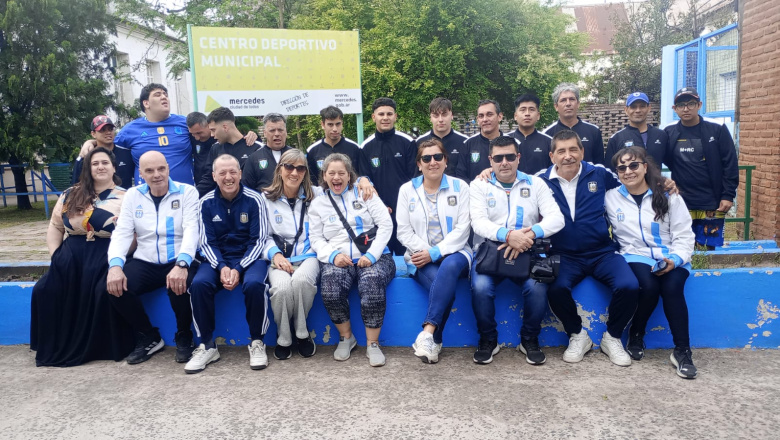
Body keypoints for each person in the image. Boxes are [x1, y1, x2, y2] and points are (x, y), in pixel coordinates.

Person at [537, 130, 639, 367]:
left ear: (582, 151)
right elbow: (513, 181)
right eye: (561, 151)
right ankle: (577, 335)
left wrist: (662, 182)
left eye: (573, 149)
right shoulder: (540, 180)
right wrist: (487, 172)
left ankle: (612, 337)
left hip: (601, 252)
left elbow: (633, 181)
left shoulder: (600, 173)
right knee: (556, 288)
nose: (568, 156)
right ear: (552, 156)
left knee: (630, 285)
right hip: (563, 254)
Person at [30, 147, 135, 367]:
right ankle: (52, 343)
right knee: (44, 289)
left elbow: (135, 237)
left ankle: (98, 347)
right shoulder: (70, 194)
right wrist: (56, 256)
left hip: (106, 254)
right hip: (71, 255)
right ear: (88, 168)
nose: (100, 167)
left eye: (105, 162)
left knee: (100, 292)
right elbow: (55, 226)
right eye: (94, 163)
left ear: (114, 167)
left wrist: (122, 248)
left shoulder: (127, 197)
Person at [469, 136, 565, 365]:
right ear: (490, 160)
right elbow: (478, 222)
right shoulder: (479, 185)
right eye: (499, 158)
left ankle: (529, 339)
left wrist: (528, 235)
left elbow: (557, 219)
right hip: (490, 250)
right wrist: (508, 235)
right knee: (480, 288)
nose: (505, 162)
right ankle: (488, 339)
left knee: (537, 287)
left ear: (518, 158)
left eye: (510, 157)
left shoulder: (535, 183)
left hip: (528, 249)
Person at [605, 146, 697, 379]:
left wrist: (675, 259)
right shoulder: (611, 197)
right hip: (634, 254)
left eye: (634, 165)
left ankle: (682, 351)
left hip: (671, 254)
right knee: (648, 285)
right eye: (622, 167)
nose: (628, 171)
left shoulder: (668, 195)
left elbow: (684, 235)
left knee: (673, 287)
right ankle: (636, 333)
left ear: (645, 167)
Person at [106, 151, 199, 365]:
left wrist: (182, 263)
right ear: (141, 173)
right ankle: (149, 335)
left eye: (161, 169)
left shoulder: (187, 192)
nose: (156, 174)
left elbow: (191, 229)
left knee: (179, 285)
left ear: (168, 168)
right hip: (145, 260)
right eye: (149, 170)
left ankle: (184, 335)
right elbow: (123, 232)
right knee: (115, 287)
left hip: (178, 257)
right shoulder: (133, 195)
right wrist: (115, 265)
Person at [309, 153, 395, 367]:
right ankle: (346, 337)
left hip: (375, 256)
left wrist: (372, 255)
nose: (336, 178)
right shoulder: (318, 204)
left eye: (341, 173)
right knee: (330, 287)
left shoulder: (365, 193)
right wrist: (333, 256)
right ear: (324, 176)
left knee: (371, 282)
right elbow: (316, 238)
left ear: (349, 176)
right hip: (339, 259)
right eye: (332, 173)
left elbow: (385, 224)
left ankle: (372, 344)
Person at [186, 155, 271, 373]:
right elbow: (205, 242)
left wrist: (239, 268)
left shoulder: (255, 199)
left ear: (240, 174)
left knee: (254, 285)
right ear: (214, 176)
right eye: (222, 173)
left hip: (249, 259)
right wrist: (222, 267)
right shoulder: (205, 203)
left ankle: (257, 341)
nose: (228, 177)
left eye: (233, 171)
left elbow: (259, 240)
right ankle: (207, 344)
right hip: (217, 260)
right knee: (198, 284)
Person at [396, 139, 472, 364]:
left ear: (445, 161)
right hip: (420, 256)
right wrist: (428, 253)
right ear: (419, 164)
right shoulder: (407, 190)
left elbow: (463, 228)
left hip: (457, 252)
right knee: (444, 288)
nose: (432, 162)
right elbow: (403, 231)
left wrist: (438, 252)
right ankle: (435, 341)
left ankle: (427, 333)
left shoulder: (461, 187)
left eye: (438, 157)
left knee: (448, 266)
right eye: (426, 158)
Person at [261, 149, 323, 361]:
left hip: (308, 255)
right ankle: (284, 337)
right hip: (278, 258)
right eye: (289, 167)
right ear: (280, 170)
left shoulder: (317, 195)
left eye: (300, 168)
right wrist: (275, 255)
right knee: (281, 288)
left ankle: (302, 335)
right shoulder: (265, 199)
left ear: (305, 172)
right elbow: (262, 236)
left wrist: (364, 181)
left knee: (302, 281)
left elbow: (344, 184)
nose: (294, 173)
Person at [664, 87, 739, 250]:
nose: (686, 108)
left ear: (699, 105)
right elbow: (661, 159)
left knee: (708, 250)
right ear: (674, 108)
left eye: (691, 103)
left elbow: (730, 163)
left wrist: (728, 195)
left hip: (712, 201)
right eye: (681, 104)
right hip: (681, 201)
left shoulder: (716, 129)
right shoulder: (669, 132)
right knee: (682, 247)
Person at [358, 97, 417, 256]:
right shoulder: (365, 147)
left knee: (407, 256)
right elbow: (365, 179)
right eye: (381, 114)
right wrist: (381, 206)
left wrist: (406, 205)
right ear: (373, 117)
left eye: (389, 114)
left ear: (395, 116)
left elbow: (415, 178)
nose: (385, 117)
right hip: (378, 213)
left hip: (406, 210)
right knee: (381, 255)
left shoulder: (408, 142)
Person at [113, 83, 196, 185]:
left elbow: (210, 135)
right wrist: (92, 143)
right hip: (146, 196)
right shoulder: (129, 130)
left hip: (184, 194)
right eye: (157, 95)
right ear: (146, 103)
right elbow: (109, 148)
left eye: (165, 94)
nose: (163, 97)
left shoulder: (185, 123)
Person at [196, 107, 262, 197]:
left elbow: (262, 180)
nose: (212, 135)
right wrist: (193, 195)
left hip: (249, 205)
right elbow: (208, 179)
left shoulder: (256, 147)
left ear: (225, 127)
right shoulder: (215, 148)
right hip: (223, 206)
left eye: (213, 130)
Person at [604, 92, 668, 172]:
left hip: (655, 184)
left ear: (649, 108)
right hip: (627, 184)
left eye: (642, 106)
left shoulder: (661, 135)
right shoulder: (617, 138)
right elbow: (610, 171)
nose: (638, 110)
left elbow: (672, 162)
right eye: (633, 107)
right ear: (626, 110)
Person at [543, 83, 604, 165]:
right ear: (556, 106)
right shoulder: (547, 134)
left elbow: (599, 164)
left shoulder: (593, 131)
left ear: (578, 103)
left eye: (571, 99)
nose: (568, 104)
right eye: (563, 100)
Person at [72, 115, 135, 188]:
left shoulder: (127, 154)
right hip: (94, 198)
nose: (108, 132)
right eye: (102, 130)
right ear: (93, 134)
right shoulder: (85, 156)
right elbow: (76, 185)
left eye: (110, 129)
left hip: (124, 198)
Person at [456, 99, 510, 182]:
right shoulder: (467, 144)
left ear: (500, 116)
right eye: (481, 116)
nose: (485, 119)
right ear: (478, 120)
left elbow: (519, 173)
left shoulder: (512, 143)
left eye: (489, 114)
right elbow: (461, 177)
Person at [306, 105, 361, 186]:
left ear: (342, 123)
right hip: (323, 196)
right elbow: (311, 181)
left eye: (338, 124)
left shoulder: (355, 148)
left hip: (349, 196)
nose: (335, 129)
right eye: (330, 125)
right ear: (323, 124)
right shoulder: (312, 150)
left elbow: (361, 176)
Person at [415, 98, 469, 177]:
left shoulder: (465, 142)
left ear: (452, 115)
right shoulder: (419, 142)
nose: (440, 119)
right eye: (436, 115)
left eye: (444, 114)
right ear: (430, 118)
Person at [242, 113, 293, 193]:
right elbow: (247, 190)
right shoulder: (254, 158)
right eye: (272, 130)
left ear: (286, 132)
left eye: (280, 130)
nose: (277, 134)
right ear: (265, 133)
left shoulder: (296, 156)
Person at [507, 94, 553, 175]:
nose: (527, 113)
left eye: (531, 109)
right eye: (523, 110)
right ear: (515, 116)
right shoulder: (505, 140)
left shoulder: (549, 142)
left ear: (538, 115)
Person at [187, 111, 218, 188]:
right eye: (192, 134)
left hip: (217, 186)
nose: (196, 137)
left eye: (199, 133)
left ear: (208, 125)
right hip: (200, 186)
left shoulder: (219, 137)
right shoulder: (190, 137)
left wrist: (251, 135)